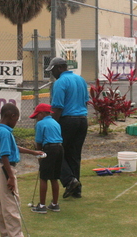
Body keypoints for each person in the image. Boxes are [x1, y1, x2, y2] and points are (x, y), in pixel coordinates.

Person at [0, 103, 44, 237]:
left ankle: (6, 234)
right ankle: (15, 235)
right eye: (16, 119)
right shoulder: (4, 132)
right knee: (11, 206)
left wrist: (33, 152)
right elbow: (4, 154)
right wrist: (11, 177)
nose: (16, 123)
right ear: (12, 116)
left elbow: (13, 147)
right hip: (5, 169)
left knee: (2, 205)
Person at [46, 57, 89, 199]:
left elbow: (57, 107)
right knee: (74, 154)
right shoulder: (80, 80)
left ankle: (69, 181)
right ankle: (76, 188)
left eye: (52, 70)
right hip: (82, 120)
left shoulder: (60, 82)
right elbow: (85, 102)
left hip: (68, 120)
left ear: (59, 68)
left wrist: (52, 126)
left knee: (56, 152)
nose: (52, 74)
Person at [29, 103, 64, 214]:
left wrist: (39, 156)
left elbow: (39, 142)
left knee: (43, 177)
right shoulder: (55, 123)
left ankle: (42, 206)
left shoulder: (40, 124)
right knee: (54, 177)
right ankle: (54, 204)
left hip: (49, 149)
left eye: (37, 115)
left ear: (43, 113)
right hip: (60, 149)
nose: (36, 118)